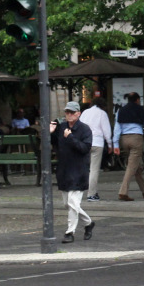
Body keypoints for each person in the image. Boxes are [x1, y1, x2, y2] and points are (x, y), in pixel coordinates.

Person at [48, 102, 94, 243]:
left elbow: (84, 148)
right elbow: (54, 144)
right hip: (64, 169)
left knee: (73, 203)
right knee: (68, 204)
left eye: (72, 112)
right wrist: (50, 133)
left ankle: (69, 232)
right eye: (67, 112)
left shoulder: (85, 130)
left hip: (79, 170)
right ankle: (88, 223)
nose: (69, 115)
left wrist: (71, 138)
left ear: (78, 113)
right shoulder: (62, 127)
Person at [111, 91, 144, 201]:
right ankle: (123, 192)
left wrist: (116, 144)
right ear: (137, 100)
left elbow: (117, 128)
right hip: (136, 138)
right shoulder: (141, 110)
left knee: (135, 164)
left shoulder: (120, 111)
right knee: (132, 166)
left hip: (124, 139)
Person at [79, 96, 112, 201]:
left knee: (85, 168)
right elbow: (106, 131)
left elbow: (79, 126)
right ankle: (91, 194)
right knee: (94, 169)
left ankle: (80, 191)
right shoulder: (102, 114)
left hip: (85, 142)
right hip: (97, 143)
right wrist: (110, 144)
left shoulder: (84, 113)